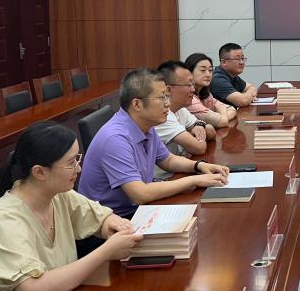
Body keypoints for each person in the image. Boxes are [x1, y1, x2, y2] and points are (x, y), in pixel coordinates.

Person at [0, 122, 143, 291]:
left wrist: (114, 225)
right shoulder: (6, 220)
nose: (79, 169)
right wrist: (106, 251)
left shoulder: (57, 194)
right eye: (71, 163)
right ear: (39, 172)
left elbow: (100, 219)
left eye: (78, 158)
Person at [78, 68, 229, 218]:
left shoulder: (145, 124)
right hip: (112, 220)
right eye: (161, 98)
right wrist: (194, 180)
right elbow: (140, 194)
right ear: (137, 104)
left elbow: (168, 160)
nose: (168, 103)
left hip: (137, 209)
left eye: (167, 96)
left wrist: (198, 166)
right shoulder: (115, 139)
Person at [154, 60, 217, 179]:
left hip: (182, 172)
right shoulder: (161, 115)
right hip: (165, 179)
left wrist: (199, 126)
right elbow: (199, 148)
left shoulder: (180, 109)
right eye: (188, 85)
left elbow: (211, 131)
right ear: (168, 89)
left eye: (192, 84)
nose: (193, 89)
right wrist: (194, 131)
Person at [184, 52, 237, 128]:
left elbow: (232, 109)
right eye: (203, 70)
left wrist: (222, 117)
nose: (208, 75)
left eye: (210, 70)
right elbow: (222, 122)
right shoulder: (189, 98)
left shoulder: (205, 94)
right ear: (189, 72)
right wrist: (222, 112)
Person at [210, 43, 257, 108]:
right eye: (237, 59)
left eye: (242, 58)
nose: (242, 62)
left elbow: (251, 87)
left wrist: (247, 96)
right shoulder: (217, 79)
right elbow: (243, 101)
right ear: (224, 62)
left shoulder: (232, 76)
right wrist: (248, 96)